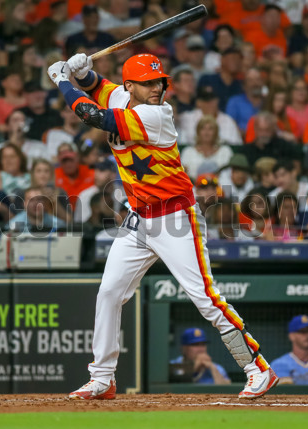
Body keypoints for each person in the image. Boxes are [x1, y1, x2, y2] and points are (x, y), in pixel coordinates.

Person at [51, 52, 277, 399]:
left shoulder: (157, 113)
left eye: (160, 81)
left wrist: (63, 81)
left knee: (205, 297)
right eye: (149, 82)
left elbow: (92, 114)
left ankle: (257, 368)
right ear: (131, 86)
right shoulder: (122, 96)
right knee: (109, 292)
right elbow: (99, 90)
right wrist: (84, 74)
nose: (158, 87)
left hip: (175, 218)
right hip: (139, 218)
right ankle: (103, 378)